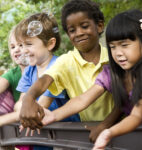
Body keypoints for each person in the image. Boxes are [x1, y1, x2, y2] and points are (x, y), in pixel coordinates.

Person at [19, 0, 120, 142]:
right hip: (90, 132)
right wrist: (28, 99)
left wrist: (106, 125)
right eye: (72, 30)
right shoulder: (66, 61)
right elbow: (44, 80)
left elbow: (125, 101)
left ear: (99, 26)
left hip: (123, 128)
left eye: (84, 26)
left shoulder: (116, 56)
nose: (79, 33)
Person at [15, 12, 80, 150]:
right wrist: (23, 110)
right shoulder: (29, 70)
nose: (23, 50)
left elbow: (42, 104)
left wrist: (22, 114)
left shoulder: (57, 66)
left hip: (66, 133)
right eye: (21, 45)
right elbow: (20, 103)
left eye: (28, 44)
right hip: (40, 128)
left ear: (50, 44)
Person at [91, 9, 142, 149]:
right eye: (112, 47)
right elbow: (83, 99)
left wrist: (108, 132)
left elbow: (137, 115)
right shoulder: (117, 74)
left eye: (124, 45)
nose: (118, 53)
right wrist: (54, 115)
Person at [0, 26, 31, 150]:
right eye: (12, 47)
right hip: (18, 122)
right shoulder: (13, 73)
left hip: (33, 115)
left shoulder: (38, 70)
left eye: (21, 45)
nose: (16, 50)